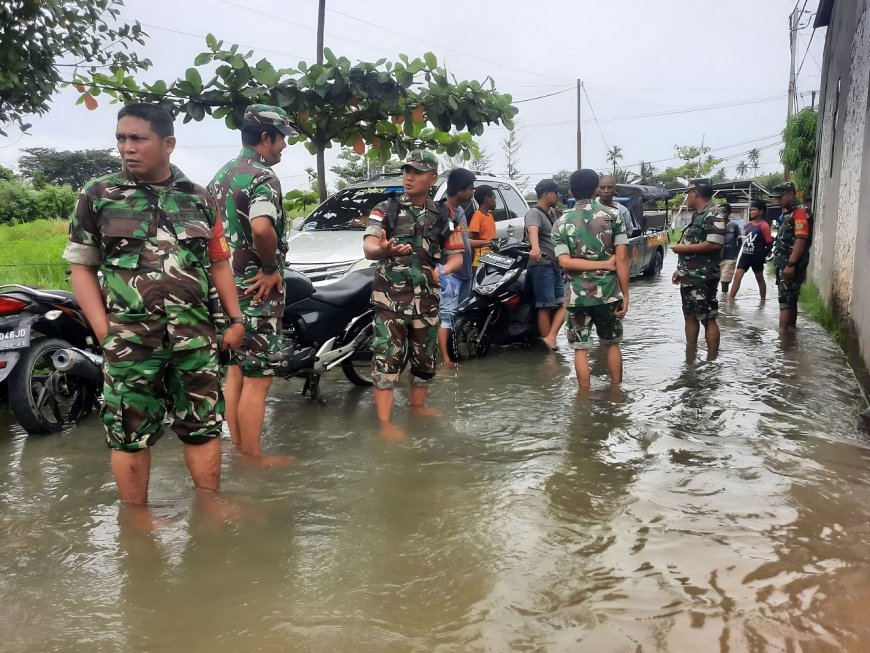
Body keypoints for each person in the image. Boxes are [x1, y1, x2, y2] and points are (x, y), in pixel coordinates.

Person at [63, 103, 246, 506]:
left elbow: (218, 262)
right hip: (129, 340)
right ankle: (137, 521)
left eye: (137, 138)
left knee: (202, 427)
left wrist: (235, 319)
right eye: (121, 139)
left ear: (168, 144)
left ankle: (210, 507)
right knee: (128, 434)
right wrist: (102, 329)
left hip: (196, 337)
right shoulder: (98, 195)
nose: (126, 148)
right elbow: (81, 267)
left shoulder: (199, 198)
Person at [209, 104, 296, 465]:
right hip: (254, 288)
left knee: (236, 373)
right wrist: (271, 267)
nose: (284, 147)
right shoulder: (262, 178)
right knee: (259, 378)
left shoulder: (222, 175)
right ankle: (253, 458)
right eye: (282, 140)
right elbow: (262, 228)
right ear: (265, 138)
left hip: (222, 287)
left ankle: (239, 449)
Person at [363, 150, 463, 440]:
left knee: (424, 360)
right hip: (391, 301)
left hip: (427, 301)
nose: (409, 176)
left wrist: (442, 271)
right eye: (407, 170)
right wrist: (383, 250)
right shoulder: (386, 209)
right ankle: (384, 424)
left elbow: (456, 256)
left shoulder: (443, 214)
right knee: (388, 358)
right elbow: (369, 246)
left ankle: (417, 408)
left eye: (417, 172)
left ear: (432, 178)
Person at [553, 169, 629, 390]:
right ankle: (616, 394)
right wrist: (625, 293)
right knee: (612, 344)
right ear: (597, 188)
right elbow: (622, 259)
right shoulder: (613, 216)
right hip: (608, 293)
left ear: (570, 191)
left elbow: (565, 262)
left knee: (580, 349)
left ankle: (583, 399)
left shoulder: (561, 222)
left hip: (577, 297)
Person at [671, 181, 725, 357]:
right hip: (688, 277)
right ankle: (690, 356)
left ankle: (712, 361)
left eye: (688, 193)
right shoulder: (698, 215)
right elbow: (694, 242)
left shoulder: (713, 213)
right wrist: (681, 269)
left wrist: (682, 249)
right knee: (690, 316)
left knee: (708, 318)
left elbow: (714, 244)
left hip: (703, 277)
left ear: (695, 193)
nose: (686, 197)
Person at [437, 168, 475, 368]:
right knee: (447, 315)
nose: (472, 192)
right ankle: (445, 360)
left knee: (456, 314)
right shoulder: (441, 211)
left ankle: (448, 352)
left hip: (465, 271)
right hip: (450, 272)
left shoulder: (460, 211)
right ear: (460, 190)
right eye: (470, 189)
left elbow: (465, 239)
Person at [525, 178, 566, 351]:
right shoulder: (534, 213)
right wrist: (535, 247)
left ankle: (550, 338)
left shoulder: (549, 214)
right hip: (542, 265)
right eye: (555, 192)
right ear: (546, 194)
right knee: (544, 306)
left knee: (563, 304)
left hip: (553, 266)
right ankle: (548, 344)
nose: (557, 196)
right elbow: (532, 229)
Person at [771, 181, 813, 330]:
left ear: (790, 194)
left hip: (791, 263)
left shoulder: (800, 212)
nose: (777, 200)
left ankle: (782, 341)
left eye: (780, 197)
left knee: (785, 302)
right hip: (785, 262)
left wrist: (791, 264)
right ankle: (790, 336)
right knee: (790, 299)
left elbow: (801, 239)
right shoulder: (788, 213)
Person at [728, 199, 772, 301]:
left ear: (761, 211)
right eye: (751, 210)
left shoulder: (764, 226)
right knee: (737, 277)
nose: (751, 212)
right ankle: (730, 300)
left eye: (754, 210)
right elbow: (745, 238)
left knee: (759, 279)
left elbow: (769, 243)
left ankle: (763, 301)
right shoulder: (748, 224)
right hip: (745, 255)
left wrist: (763, 254)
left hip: (757, 257)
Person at [468, 184, 497, 268]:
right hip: (480, 262)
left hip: (491, 258)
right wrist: (487, 242)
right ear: (487, 199)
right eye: (494, 198)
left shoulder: (490, 216)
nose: (495, 201)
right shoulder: (477, 216)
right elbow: (470, 240)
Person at [719, 203, 743, 294]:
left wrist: (736, 255)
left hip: (730, 257)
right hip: (717, 257)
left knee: (725, 280)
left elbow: (740, 241)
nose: (722, 214)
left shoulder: (734, 226)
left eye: (724, 212)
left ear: (728, 213)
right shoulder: (715, 225)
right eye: (720, 212)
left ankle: (724, 300)